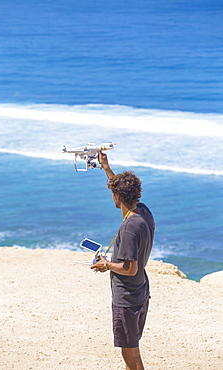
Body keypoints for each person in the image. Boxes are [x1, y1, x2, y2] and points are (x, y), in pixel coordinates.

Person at [91, 151, 155, 370]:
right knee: (132, 350)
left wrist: (106, 264)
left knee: (131, 356)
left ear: (117, 197)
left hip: (127, 298)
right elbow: (121, 190)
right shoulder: (144, 212)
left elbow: (129, 268)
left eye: (114, 193)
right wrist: (107, 168)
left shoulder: (129, 228)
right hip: (140, 291)